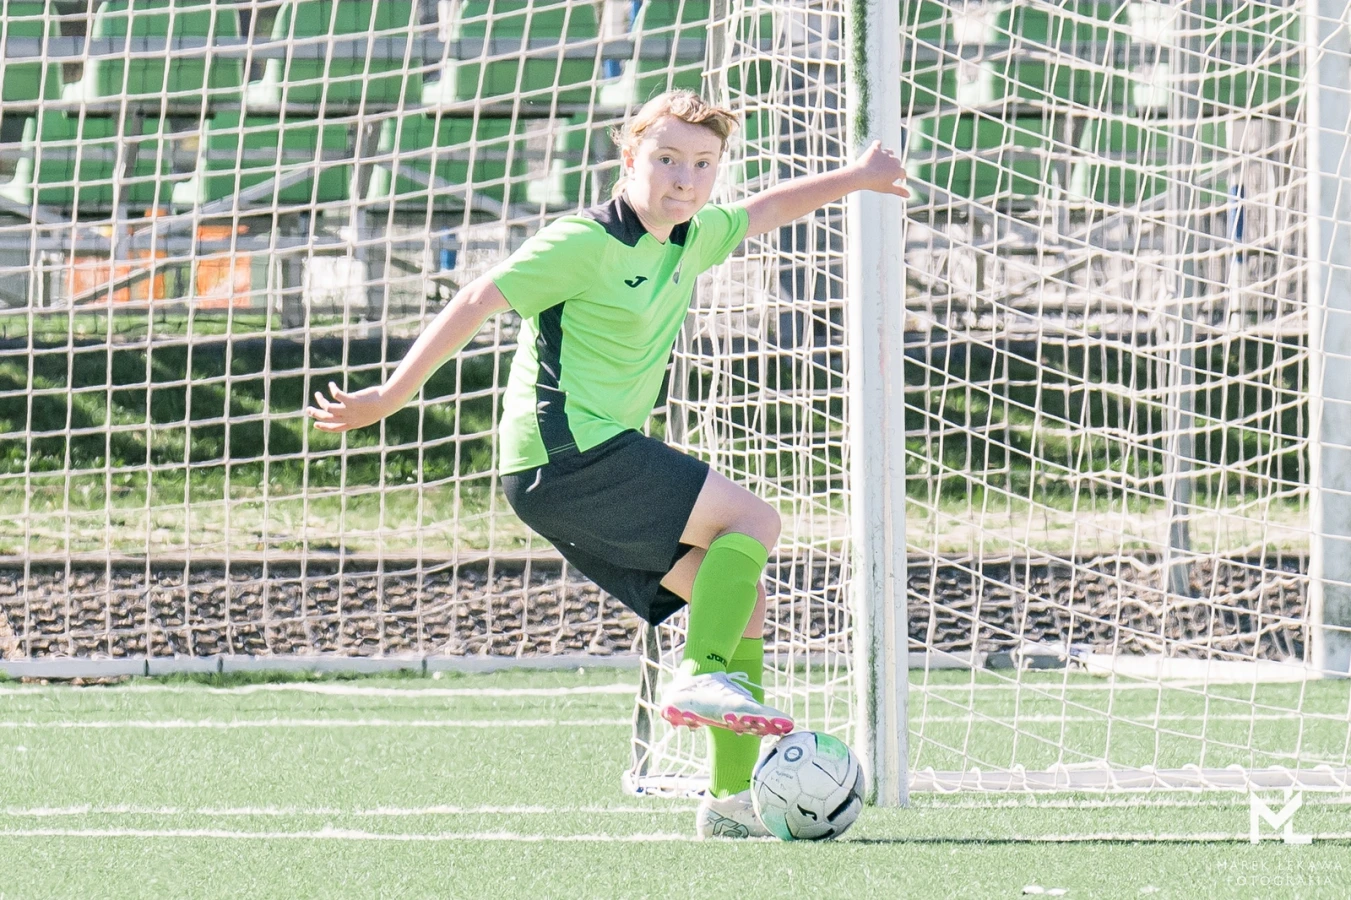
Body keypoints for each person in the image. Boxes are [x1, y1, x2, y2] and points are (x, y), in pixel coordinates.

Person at [307, 90, 908, 838]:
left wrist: (857, 177)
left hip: (571, 470)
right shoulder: (583, 240)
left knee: (741, 602)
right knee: (754, 520)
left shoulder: (691, 236)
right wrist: (392, 395)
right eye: (666, 158)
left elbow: (766, 209)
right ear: (629, 159)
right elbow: (476, 298)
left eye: (702, 163)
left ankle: (728, 801)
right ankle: (700, 676)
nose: (684, 178)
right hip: (563, 454)